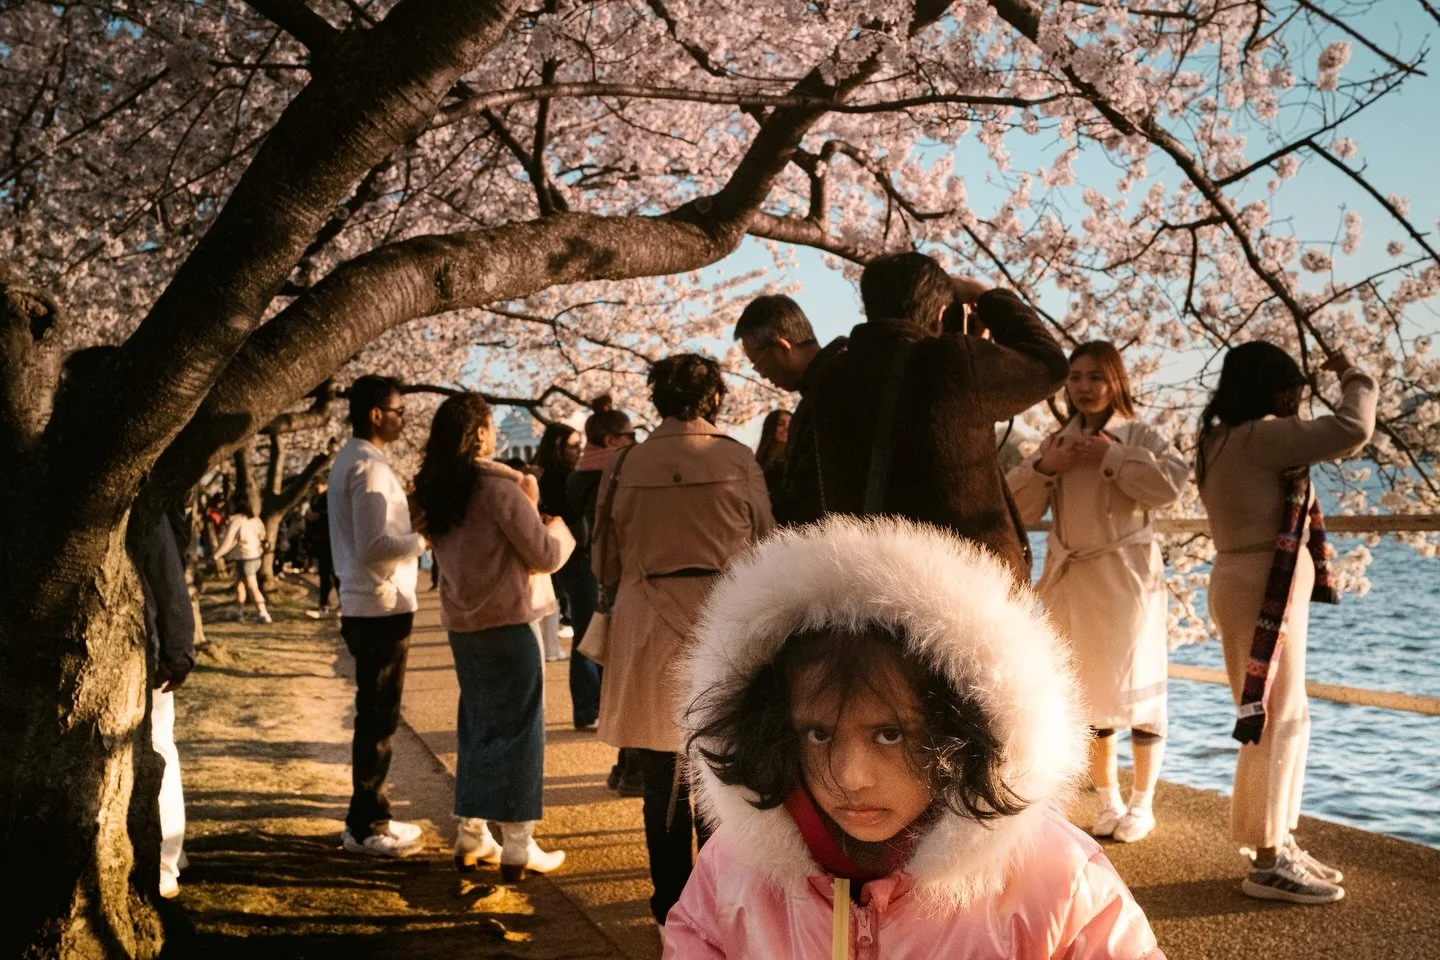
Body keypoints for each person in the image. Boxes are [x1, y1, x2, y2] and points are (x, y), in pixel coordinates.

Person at [667, 517, 1163, 958]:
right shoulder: (734, 868)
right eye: (818, 733)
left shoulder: (1057, 879)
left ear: (964, 729)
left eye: (889, 734)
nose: (850, 776)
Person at [592, 354, 775, 926]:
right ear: (715, 399)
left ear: (655, 400)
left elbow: (603, 557)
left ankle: (670, 906)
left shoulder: (625, 463)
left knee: (660, 775)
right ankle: (721, 906)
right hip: (724, 628)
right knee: (721, 775)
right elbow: (768, 545)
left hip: (648, 628)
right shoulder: (737, 459)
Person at [1197, 342, 1375, 904]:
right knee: (1277, 719)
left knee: (1277, 716)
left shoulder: (1219, 438)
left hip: (1251, 579)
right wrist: (1352, 373)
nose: (1297, 397)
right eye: (1291, 387)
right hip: (1261, 583)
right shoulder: (1262, 436)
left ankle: (1274, 840)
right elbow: (1353, 426)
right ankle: (1268, 860)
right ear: (1273, 389)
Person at [1008, 342, 1188, 844]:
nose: (1084, 388)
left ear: (1116, 381)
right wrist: (1047, 468)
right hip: (1073, 578)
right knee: (1085, 692)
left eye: (1095, 377)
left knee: (1139, 683)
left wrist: (1113, 454)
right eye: (1075, 377)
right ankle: (1107, 797)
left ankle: (1143, 801)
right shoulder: (1057, 440)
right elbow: (1017, 508)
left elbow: (1169, 488)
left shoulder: (1141, 434)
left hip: (1127, 577)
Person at [798, 252, 1069, 581]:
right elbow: (1050, 364)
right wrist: (988, 297)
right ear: (942, 313)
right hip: (965, 582)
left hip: (867, 580)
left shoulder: (831, 376)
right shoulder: (954, 364)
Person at [413, 393, 574, 881]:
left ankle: (470, 832)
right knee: (523, 732)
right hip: (508, 625)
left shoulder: (432, 492)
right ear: (479, 434)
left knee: (478, 727)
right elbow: (544, 554)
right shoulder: (501, 491)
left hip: (463, 628)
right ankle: (519, 844)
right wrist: (561, 530)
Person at [327, 374, 428, 857]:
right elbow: (374, 548)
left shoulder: (359, 462)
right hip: (379, 604)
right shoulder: (367, 468)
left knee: (376, 716)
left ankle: (372, 813)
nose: (403, 418)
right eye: (398, 410)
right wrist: (421, 541)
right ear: (375, 414)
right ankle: (366, 824)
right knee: (378, 719)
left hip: (370, 602)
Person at [567, 397, 641, 777]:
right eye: (631, 435)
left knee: (593, 645)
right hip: (616, 575)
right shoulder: (616, 475)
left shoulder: (579, 473)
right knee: (626, 667)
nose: (635, 441)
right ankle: (628, 761)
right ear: (613, 439)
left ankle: (590, 713)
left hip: (585, 571)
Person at [130, 511, 197, 900]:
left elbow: (168, 579)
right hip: (143, 643)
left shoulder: (137, 492)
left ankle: (165, 861)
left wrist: (178, 651)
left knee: (157, 748)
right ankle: (165, 856)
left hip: (145, 649)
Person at [734, 295, 846, 524]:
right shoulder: (831, 377)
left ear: (782, 345)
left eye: (759, 363)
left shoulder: (831, 388)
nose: (763, 375)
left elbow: (811, 492)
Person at [534, 422, 584, 663]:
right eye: (574, 446)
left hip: (544, 548)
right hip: (569, 549)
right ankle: (552, 647)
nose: (579, 451)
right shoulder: (565, 478)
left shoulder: (537, 475)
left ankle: (549, 647)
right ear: (559, 448)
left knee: (549, 599)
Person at [213, 504, 271, 623]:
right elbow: (262, 535)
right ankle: (238, 612)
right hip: (253, 556)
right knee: (239, 585)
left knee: (252, 587)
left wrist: (217, 554)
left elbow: (230, 540)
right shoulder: (256, 519)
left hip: (246, 558)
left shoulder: (237, 521)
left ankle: (263, 613)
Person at [304, 487, 337, 618]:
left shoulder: (331, 497)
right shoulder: (320, 498)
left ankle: (327, 605)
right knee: (327, 574)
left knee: (331, 575)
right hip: (325, 542)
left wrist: (318, 517)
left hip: (331, 541)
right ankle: (325, 605)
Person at [754, 409, 791, 505]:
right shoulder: (757, 462)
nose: (787, 428)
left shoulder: (796, 460)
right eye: (780, 424)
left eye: (791, 424)